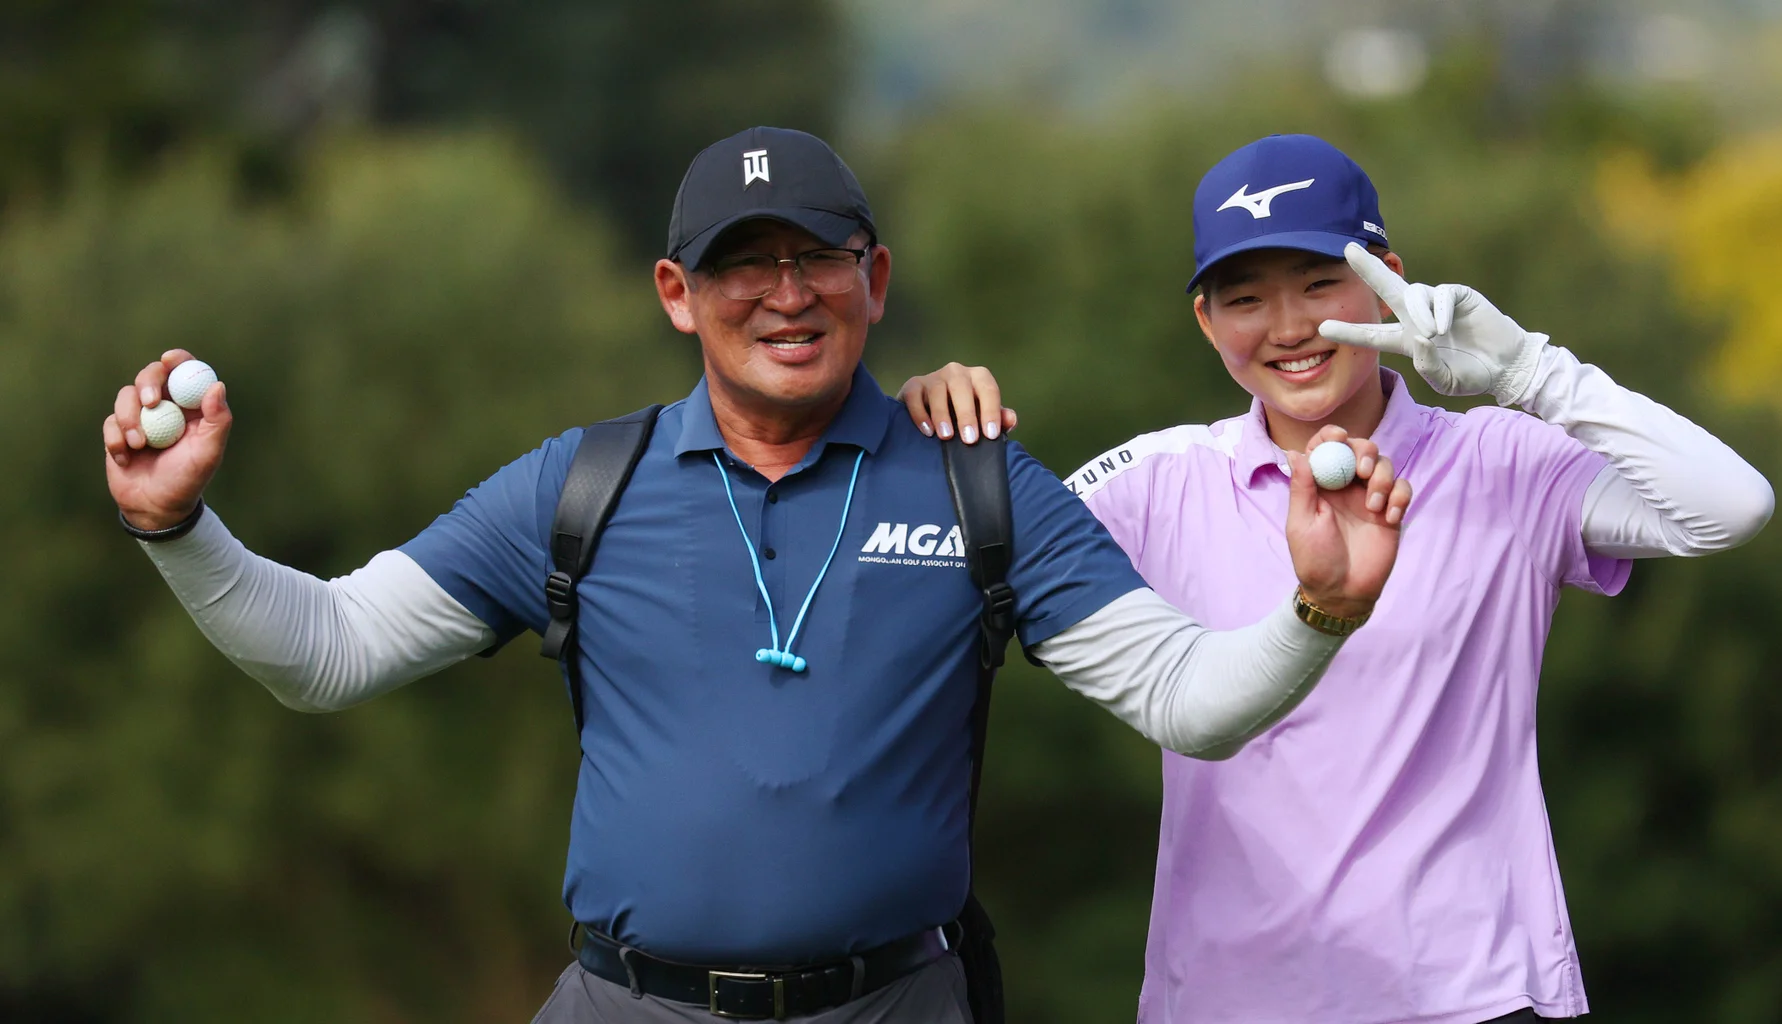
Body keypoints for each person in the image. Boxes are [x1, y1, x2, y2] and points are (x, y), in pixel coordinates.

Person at [102, 128, 1416, 1024]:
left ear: (874, 279)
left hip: (897, 1005)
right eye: (743, 260)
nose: (784, 293)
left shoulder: (977, 480)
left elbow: (1190, 699)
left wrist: (1320, 612)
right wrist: (182, 532)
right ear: (679, 292)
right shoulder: (579, 488)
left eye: (817, 255)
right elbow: (327, 652)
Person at [899, 133, 1775, 1024]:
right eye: (1244, 299)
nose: (1288, 328)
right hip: (1225, 1001)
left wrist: (1528, 371)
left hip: (1477, 995)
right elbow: (939, 574)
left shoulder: (1501, 460)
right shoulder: (1155, 482)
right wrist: (926, 432)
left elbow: (1729, 507)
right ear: (1205, 321)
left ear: (1389, 277)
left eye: (1321, 285)